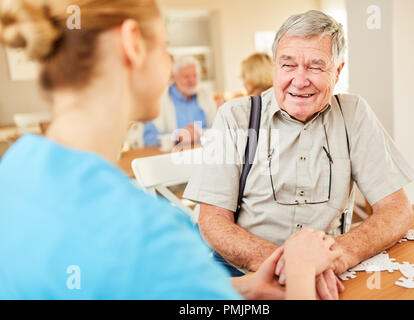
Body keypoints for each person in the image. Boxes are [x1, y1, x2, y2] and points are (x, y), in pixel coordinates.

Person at [0, 0, 339, 300]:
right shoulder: (147, 233)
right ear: (133, 43)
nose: (170, 64)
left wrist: (245, 287)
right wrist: (300, 267)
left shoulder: (13, 168)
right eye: (165, 47)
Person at [184, 10, 414, 300]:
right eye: (288, 65)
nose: (300, 80)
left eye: (316, 66)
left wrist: (338, 255)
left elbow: (397, 208)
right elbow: (213, 220)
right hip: (244, 279)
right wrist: (292, 266)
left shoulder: (353, 113)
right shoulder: (236, 116)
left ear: (338, 71)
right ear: (275, 68)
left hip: (328, 279)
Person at [142, 55, 217, 146]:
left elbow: (217, 128)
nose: (192, 80)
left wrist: (202, 134)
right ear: (174, 78)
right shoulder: (159, 100)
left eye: (194, 76)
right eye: (186, 77)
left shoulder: (206, 95)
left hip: (203, 153)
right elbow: (148, 138)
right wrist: (178, 136)